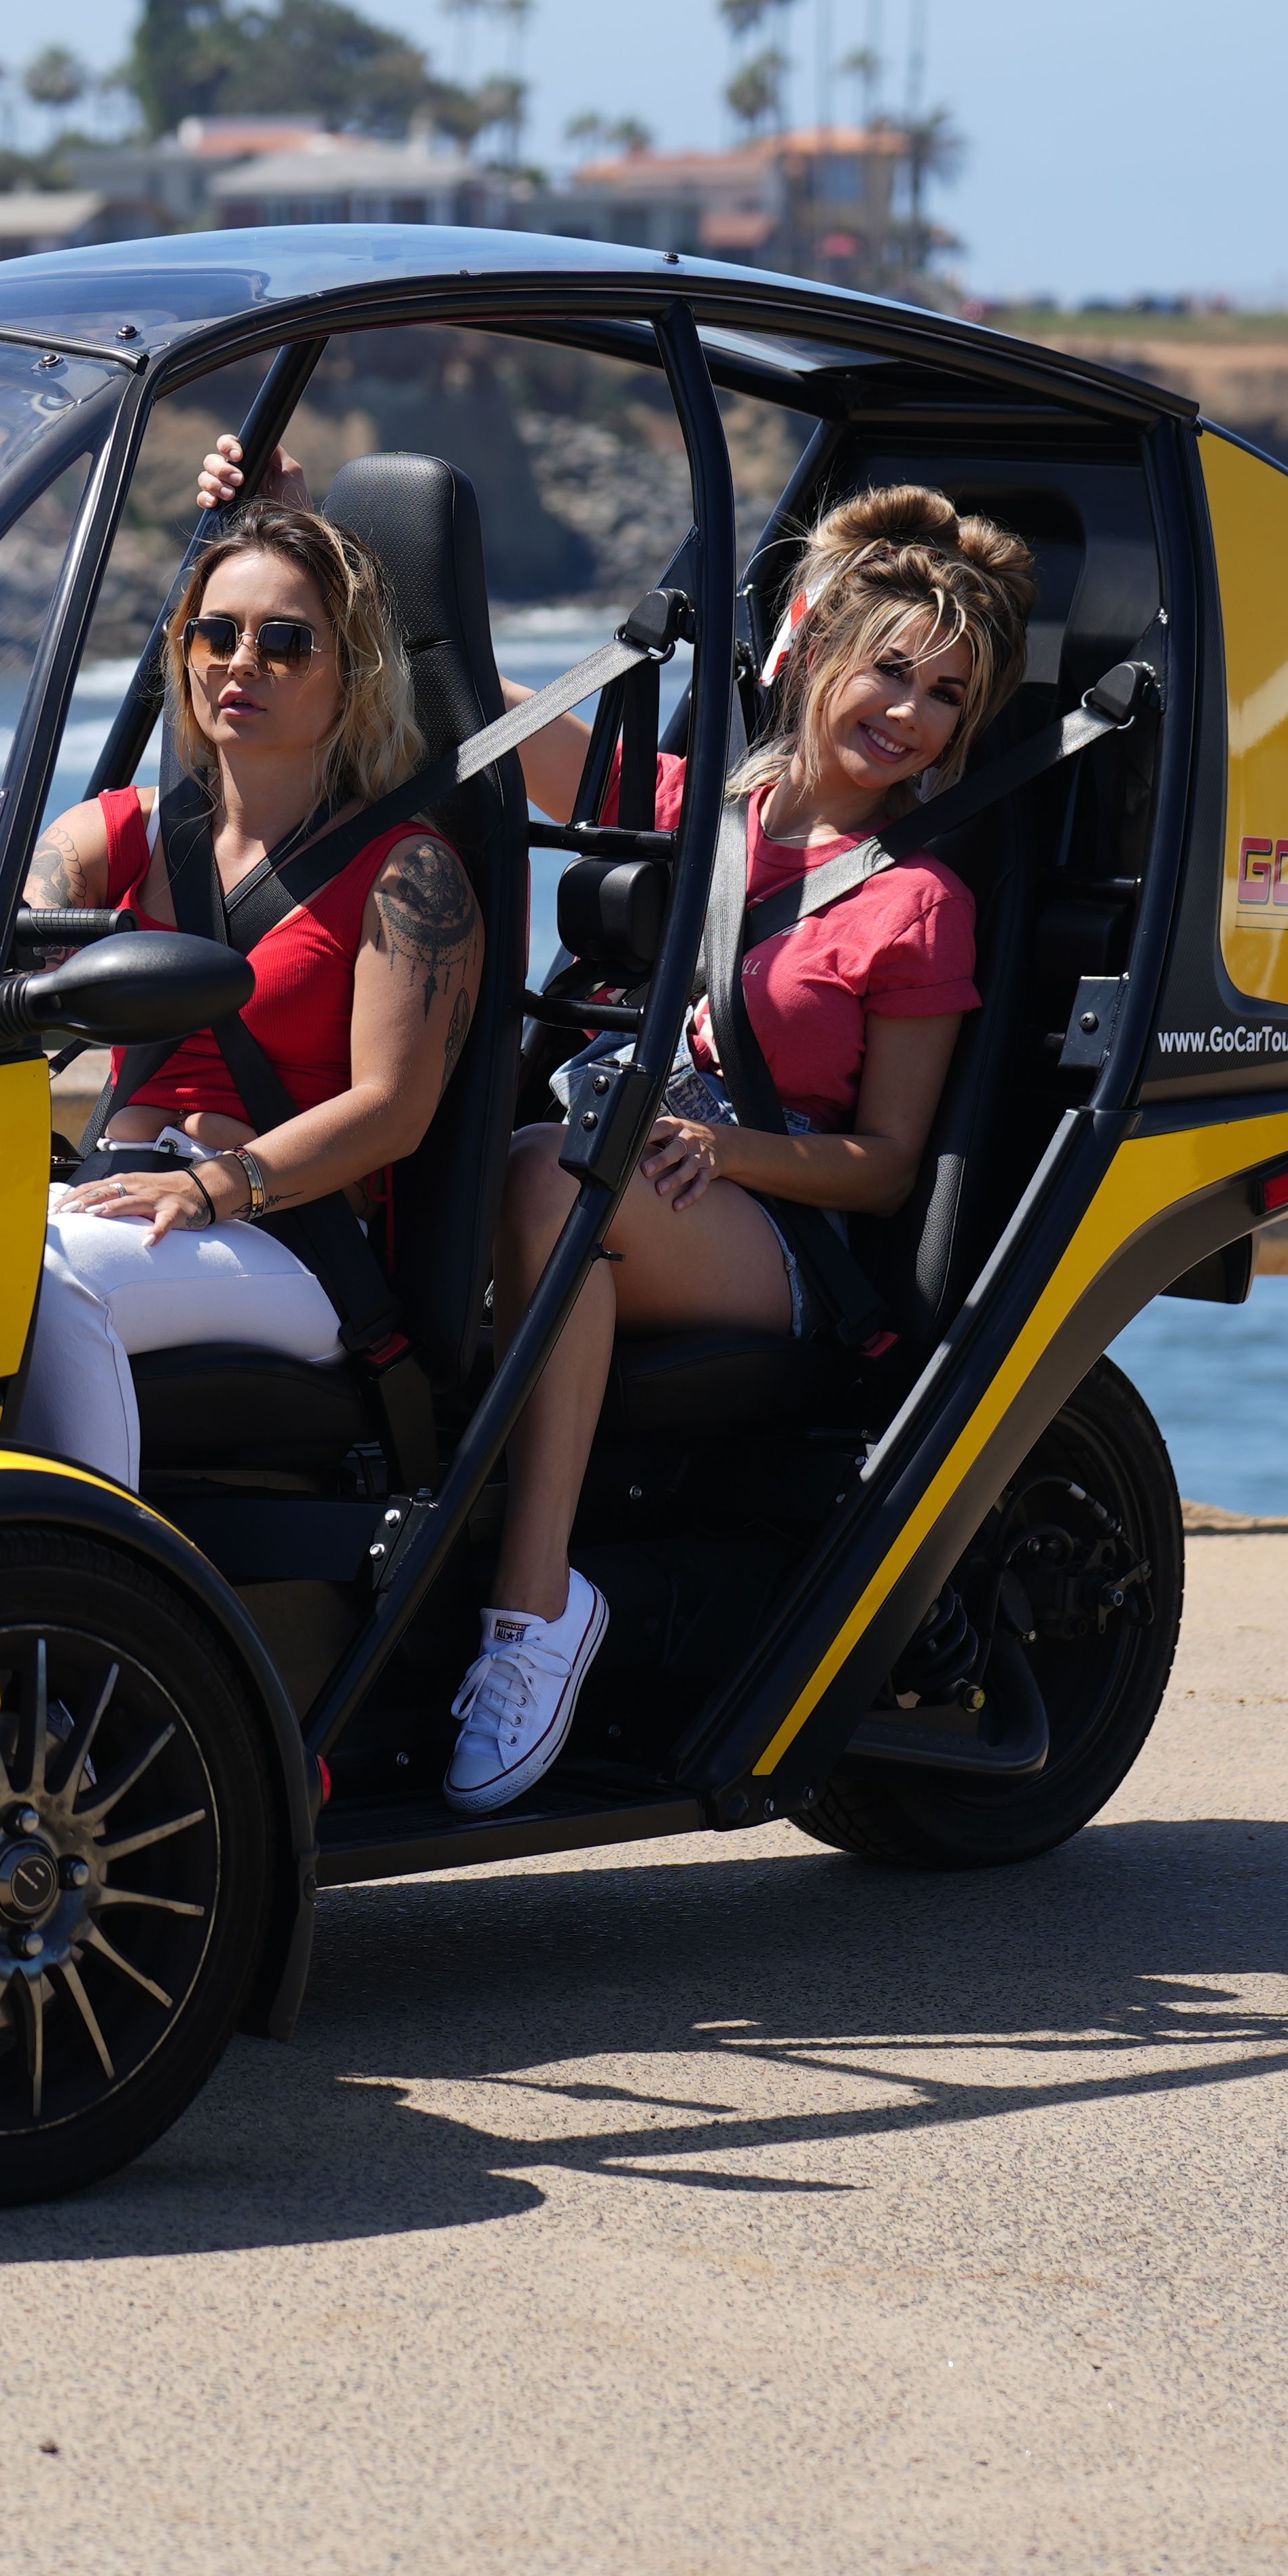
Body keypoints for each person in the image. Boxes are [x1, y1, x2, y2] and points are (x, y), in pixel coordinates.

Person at [445, 485, 1034, 1808]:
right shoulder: (702, 808)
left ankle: (536, 1612)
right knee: (494, 1170)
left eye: (947, 696)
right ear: (818, 650)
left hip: (783, 1229)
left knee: (551, 1177)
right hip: (641, 1174)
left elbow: (885, 1164)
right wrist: (323, 537)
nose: (912, 714)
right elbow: (504, 719)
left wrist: (730, 1157)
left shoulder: (916, 901)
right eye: (892, 669)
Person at [8, 499, 483, 1489]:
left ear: (349, 673)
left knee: (44, 1288)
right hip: (117, 1190)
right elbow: (15, 950)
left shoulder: (410, 873)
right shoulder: (118, 834)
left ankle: (87, 1581)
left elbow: (392, 1110)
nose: (239, 661)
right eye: (215, 633)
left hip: (290, 1238)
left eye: (286, 641)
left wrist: (213, 1186)